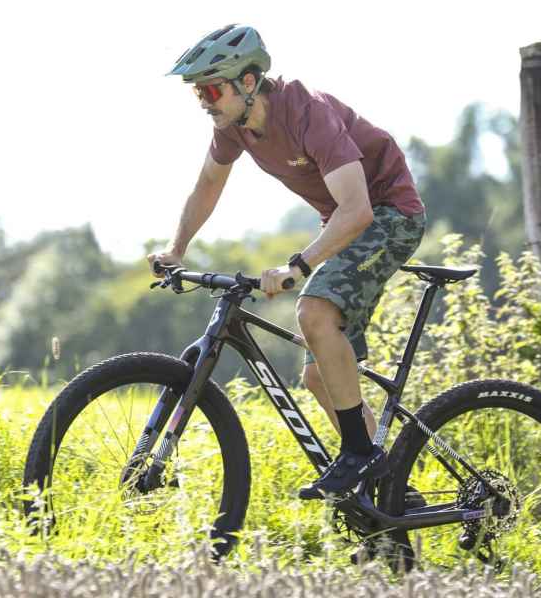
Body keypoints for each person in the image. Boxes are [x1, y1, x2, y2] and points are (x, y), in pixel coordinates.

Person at [149, 24, 426, 500]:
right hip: (346, 219)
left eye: (212, 89)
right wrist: (177, 249)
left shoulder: (308, 113)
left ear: (249, 82)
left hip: (389, 214)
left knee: (312, 311)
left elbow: (358, 210)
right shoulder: (234, 127)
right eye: (198, 94)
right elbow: (208, 186)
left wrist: (298, 265)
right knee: (321, 374)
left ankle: (360, 456)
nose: (205, 102)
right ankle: (390, 494)